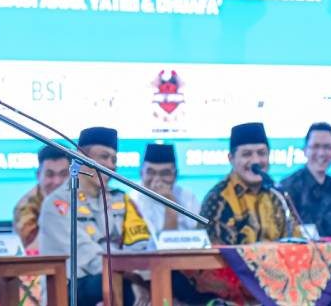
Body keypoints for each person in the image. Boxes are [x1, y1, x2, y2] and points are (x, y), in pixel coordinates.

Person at [39, 127, 151, 306]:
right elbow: (89, 258)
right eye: (104, 157)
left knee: (173, 279)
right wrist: (133, 278)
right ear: (81, 157)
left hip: (118, 275)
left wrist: (141, 276)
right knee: (116, 282)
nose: (111, 165)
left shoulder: (121, 199)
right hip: (71, 285)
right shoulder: (57, 203)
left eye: (114, 159)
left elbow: (142, 244)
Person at [200, 122, 286, 245]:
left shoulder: (277, 194)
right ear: (231, 159)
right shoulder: (217, 198)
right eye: (247, 154)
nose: (256, 161)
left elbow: (295, 240)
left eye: (261, 153)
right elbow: (211, 250)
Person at [279, 122, 331, 238]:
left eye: (327, 147)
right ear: (305, 150)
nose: (321, 153)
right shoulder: (287, 187)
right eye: (315, 146)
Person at [13, 144, 70, 252]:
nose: (57, 181)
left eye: (63, 174)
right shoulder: (25, 207)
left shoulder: (82, 196)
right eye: (50, 175)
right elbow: (36, 250)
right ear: (39, 175)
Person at [133, 143, 200, 233]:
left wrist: (170, 201)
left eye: (164, 173)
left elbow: (199, 235)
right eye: (151, 172)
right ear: (141, 173)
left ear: (175, 175)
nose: (157, 180)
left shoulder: (189, 198)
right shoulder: (132, 200)